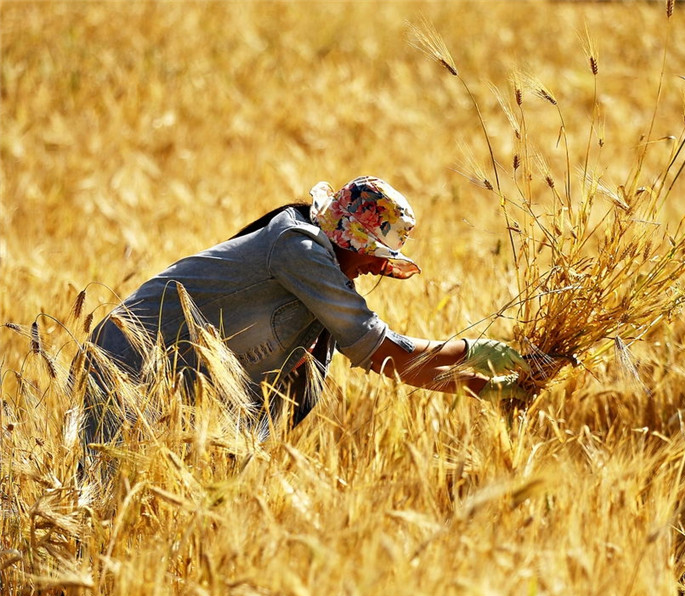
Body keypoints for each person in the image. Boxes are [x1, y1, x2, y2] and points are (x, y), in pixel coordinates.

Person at [81, 176, 530, 447]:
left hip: (174, 388)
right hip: (124, 362)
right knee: (103, 508)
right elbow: (386, 354)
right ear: (345, 238)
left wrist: (489, 388)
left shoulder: (320, 274)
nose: (377, 267)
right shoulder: (301, 251)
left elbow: (392, 362)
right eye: (373, 254)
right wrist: (474, 351)